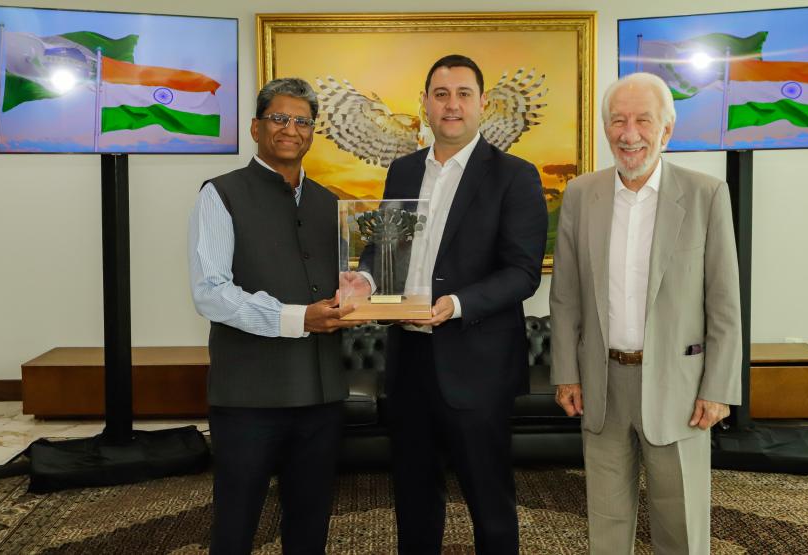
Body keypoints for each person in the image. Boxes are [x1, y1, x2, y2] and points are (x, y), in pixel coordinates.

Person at [549, 72, 742, 554]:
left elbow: (724, 303)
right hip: (602, 385)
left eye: (643, 120)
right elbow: (565, 296)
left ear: (666, 130)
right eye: (618, 121)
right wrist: (566, 374)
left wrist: (719, 388)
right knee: (607, 525)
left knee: (681, 525)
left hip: (679, 388)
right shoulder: (581, 195)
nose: (629, 133)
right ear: (606, 128)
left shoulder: (705, 194)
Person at [372, 54, 549, 554]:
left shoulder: (514, 175)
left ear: (482, 103)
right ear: (425, 104)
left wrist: (456, 302)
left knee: (489, 502)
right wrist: (363, 280)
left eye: (463, 94)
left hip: (477, 366)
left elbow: (522, 272)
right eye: (441, 94)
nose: (452, 105)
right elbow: (385, 252)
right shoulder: (403, 171)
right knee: (413, 498)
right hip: (409, 362)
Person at [188, 77, 362, 555]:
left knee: (310, 520)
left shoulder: (332, 203)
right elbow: (210, 292)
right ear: (255, 128)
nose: (291, 129)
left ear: (312, 132)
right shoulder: (220, 194)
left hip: (321, 393)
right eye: (279, 118)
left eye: (302, 121)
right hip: (249, 395)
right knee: (236, 521)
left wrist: (365, 293)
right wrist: (297, 319)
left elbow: (348, 282)